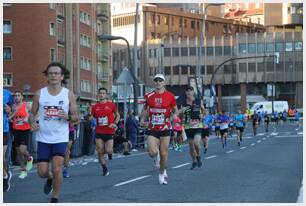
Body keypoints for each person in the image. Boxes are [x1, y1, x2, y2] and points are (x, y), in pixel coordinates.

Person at [30, 62, 79, 203]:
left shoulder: (68, 94)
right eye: (51, 73)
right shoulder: (39, 94)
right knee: (42, 172)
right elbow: (32, 114)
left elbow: (77, 118)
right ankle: (49, 179)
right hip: (43, 138)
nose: (53, 75)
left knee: (57, 168)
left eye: (56, 73)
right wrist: (32, 122)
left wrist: (68, 117)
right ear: (47, 75)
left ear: (62, 76)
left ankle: (55, 198)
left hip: (60, 137)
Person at [140, 74, 178, 185]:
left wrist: (174, 115)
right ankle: (155, 157)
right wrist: (142, 119)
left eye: (160, 80)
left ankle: (161, 173)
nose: (158, 82)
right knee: (152, 152)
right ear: (154, 83)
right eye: (156, 80)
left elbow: (175, 110)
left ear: (164, 83)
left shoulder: (170, 96)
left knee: (164, 153)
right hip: (152, 127)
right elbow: (145, 109)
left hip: (165, 127)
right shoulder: (149, 95)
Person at [91, 87, 120, 176]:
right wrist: (92, 122)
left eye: (103, 93)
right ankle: (104, 168)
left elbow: (117, 115)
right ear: (98, 94)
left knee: (108, 150)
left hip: (109, 131)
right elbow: (92, 117)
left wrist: (115, 123)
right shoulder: (95, 106)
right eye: (100, 93)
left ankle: (110, 154)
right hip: (99, 131)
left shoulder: (111, 105)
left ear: (106, 95)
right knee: (100, 150)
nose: (102, 95)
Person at [8, 91, 33, 179]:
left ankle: (29, 158)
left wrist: (27, 117)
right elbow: (11, 116)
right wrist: (11, 119)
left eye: (18, 95)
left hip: (25, 130)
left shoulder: (26, 105)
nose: (17, 97)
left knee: (22, 150)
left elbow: (33, 113)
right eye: (15, 96)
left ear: (22, 97)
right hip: (16, 130)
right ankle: (23, 171)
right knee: (18, 153)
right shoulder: (13, 107)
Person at [180, 86, 204, 170]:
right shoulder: (183, 102)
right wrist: (181, 111)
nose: (188, 92)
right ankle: (194, 161)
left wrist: (203, 115)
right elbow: (179, 113)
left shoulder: (198, 101)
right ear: (186, 93)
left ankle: (198, 156)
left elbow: (204, 110)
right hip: (188, 126)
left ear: (193, 92)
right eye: (187, 91)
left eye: (190, 91)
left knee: (196, 143)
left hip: (197, 124)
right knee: (191, 146)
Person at [3, 88, 14, 192]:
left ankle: (5, 177)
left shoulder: (6, 93)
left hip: (3, 129)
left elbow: (12, 109)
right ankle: (5, 174)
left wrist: (9, 110)